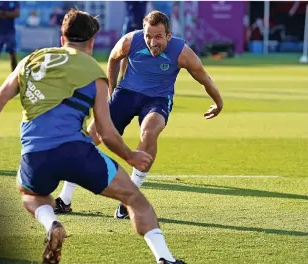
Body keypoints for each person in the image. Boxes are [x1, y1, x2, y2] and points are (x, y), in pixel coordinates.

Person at [0, 9, 186, 264]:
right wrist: (130, 155)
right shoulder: (94, 72)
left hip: (34, 154)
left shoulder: (30, 61)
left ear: (61, 38)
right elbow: (105, 131)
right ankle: (165, 259)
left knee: (31, 196)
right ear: (91, 43)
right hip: (77, 153)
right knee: (135, 200)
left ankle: (52, 224)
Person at [55, 10, 224, 219]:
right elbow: (113, 59)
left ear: (169, 36)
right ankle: (64, 199)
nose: (152, 42)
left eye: (158, 37)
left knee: (149, 133)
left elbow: (204, 78)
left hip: (157, 100)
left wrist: (219, 103)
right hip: (126, 94)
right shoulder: (130, 41)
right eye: (148, 36)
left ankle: (129, 199)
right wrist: (112, 92)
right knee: (90, 138)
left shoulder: (182, 52)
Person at [0, 1, 20, 88]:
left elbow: (17, 13)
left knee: (12, 55)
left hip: (10, 31)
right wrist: (8, 14)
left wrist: (2, 13)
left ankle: (15, 80)